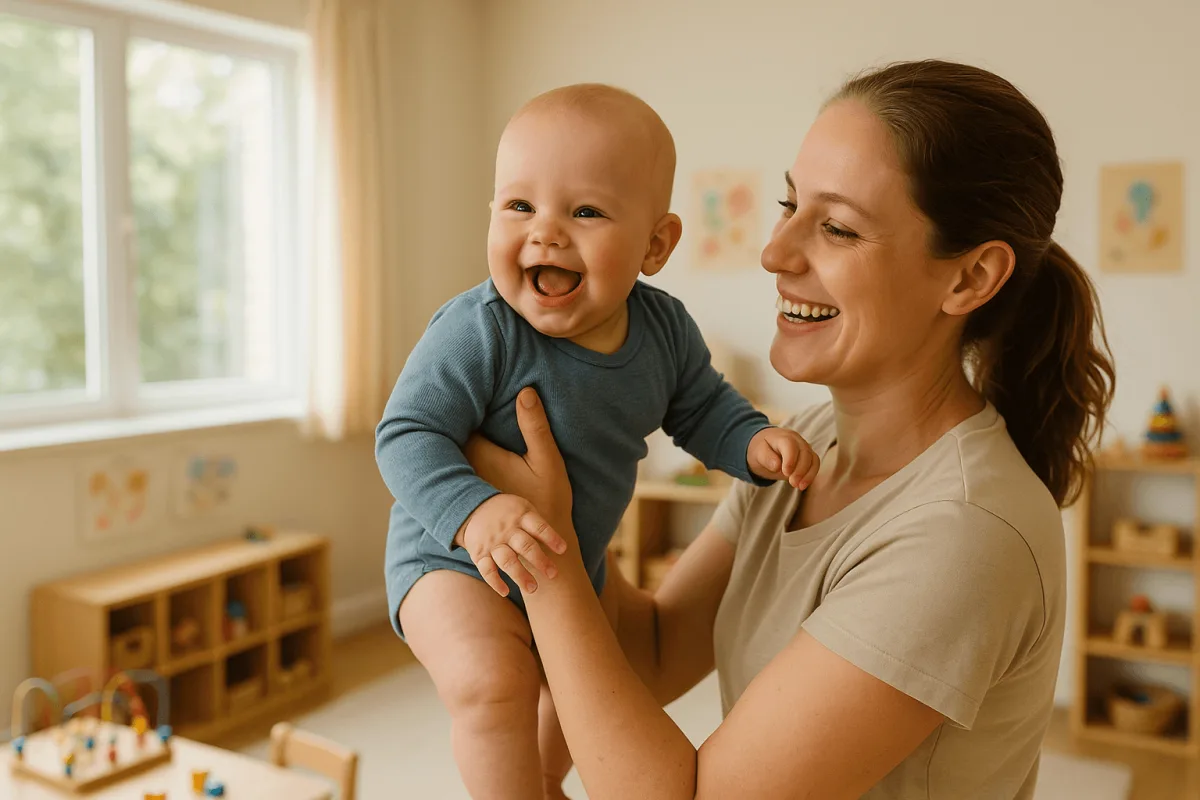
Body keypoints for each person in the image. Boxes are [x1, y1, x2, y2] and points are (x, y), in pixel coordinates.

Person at [464, 59, 1116, 799]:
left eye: (837, 227)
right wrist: (563, 489)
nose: (774, 252)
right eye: (789, 203)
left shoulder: (963, 534)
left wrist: (541, 551)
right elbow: (649, 651)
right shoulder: (805, 447)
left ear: (968, 279)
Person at [375, 83, 818, 800]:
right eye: (520, 206)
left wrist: (753, 442)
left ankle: (545, 783)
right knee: (495, 686)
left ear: (656, 244)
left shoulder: (664, 331)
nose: (545, 233)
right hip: (450, 556)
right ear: (491, 215)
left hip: (571, 560)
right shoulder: (478, 328)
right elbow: (405, 434)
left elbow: (701, 407)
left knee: (586, 694)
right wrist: (475, 512)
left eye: (584, 211)